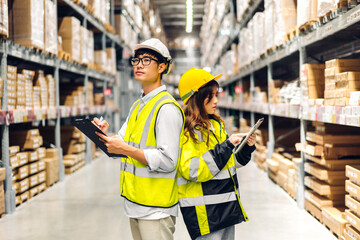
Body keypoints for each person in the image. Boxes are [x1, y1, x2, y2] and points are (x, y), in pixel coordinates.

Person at [93, 38, 184, 240]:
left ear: (162, 67)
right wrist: (103, 136)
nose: (139, 65)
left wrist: (124, 149)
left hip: (156, 210)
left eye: (146, 60)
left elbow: (169, 160)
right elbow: (121, 146)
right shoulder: (138, 106)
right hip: (135, 205)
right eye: (136, 60)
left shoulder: (166, 108)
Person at [177, 68, 256, 240]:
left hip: (226, 207)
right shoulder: (187, 131)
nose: (216, 100)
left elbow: (227, 164)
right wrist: (226, 146)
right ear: (196, 98)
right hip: (206, 214)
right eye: (210, 96)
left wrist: (245, 149)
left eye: (216, 95)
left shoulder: (215, 125)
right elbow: (192, 170)